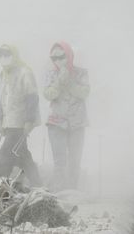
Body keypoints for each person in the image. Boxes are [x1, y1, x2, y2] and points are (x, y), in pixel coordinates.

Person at [0, 44, 42, 190]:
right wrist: (0, 121)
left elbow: (32, 98)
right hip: (8, 122)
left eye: (7, 54)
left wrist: (29, 121)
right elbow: (2, 100)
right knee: (23, 157)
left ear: (14, 55)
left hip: (20, 122)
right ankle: (38, 185)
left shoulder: (25, 72)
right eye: (1, 55)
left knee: (4, 156)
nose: (4, 58)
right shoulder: (3, 74)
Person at [43, 42, 90, 191]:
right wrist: (59, 81)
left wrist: (69, 81)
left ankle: (72, 190)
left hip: (77, 123)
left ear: (69, 56)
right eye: (54, 58)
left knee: (75, 161)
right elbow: (48, 94)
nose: (58, 61)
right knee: (60, 162)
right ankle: (58, 192)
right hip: (56, 123)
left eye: (61, 57)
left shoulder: (81, 73)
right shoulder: (50, 74)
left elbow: (84, 93)